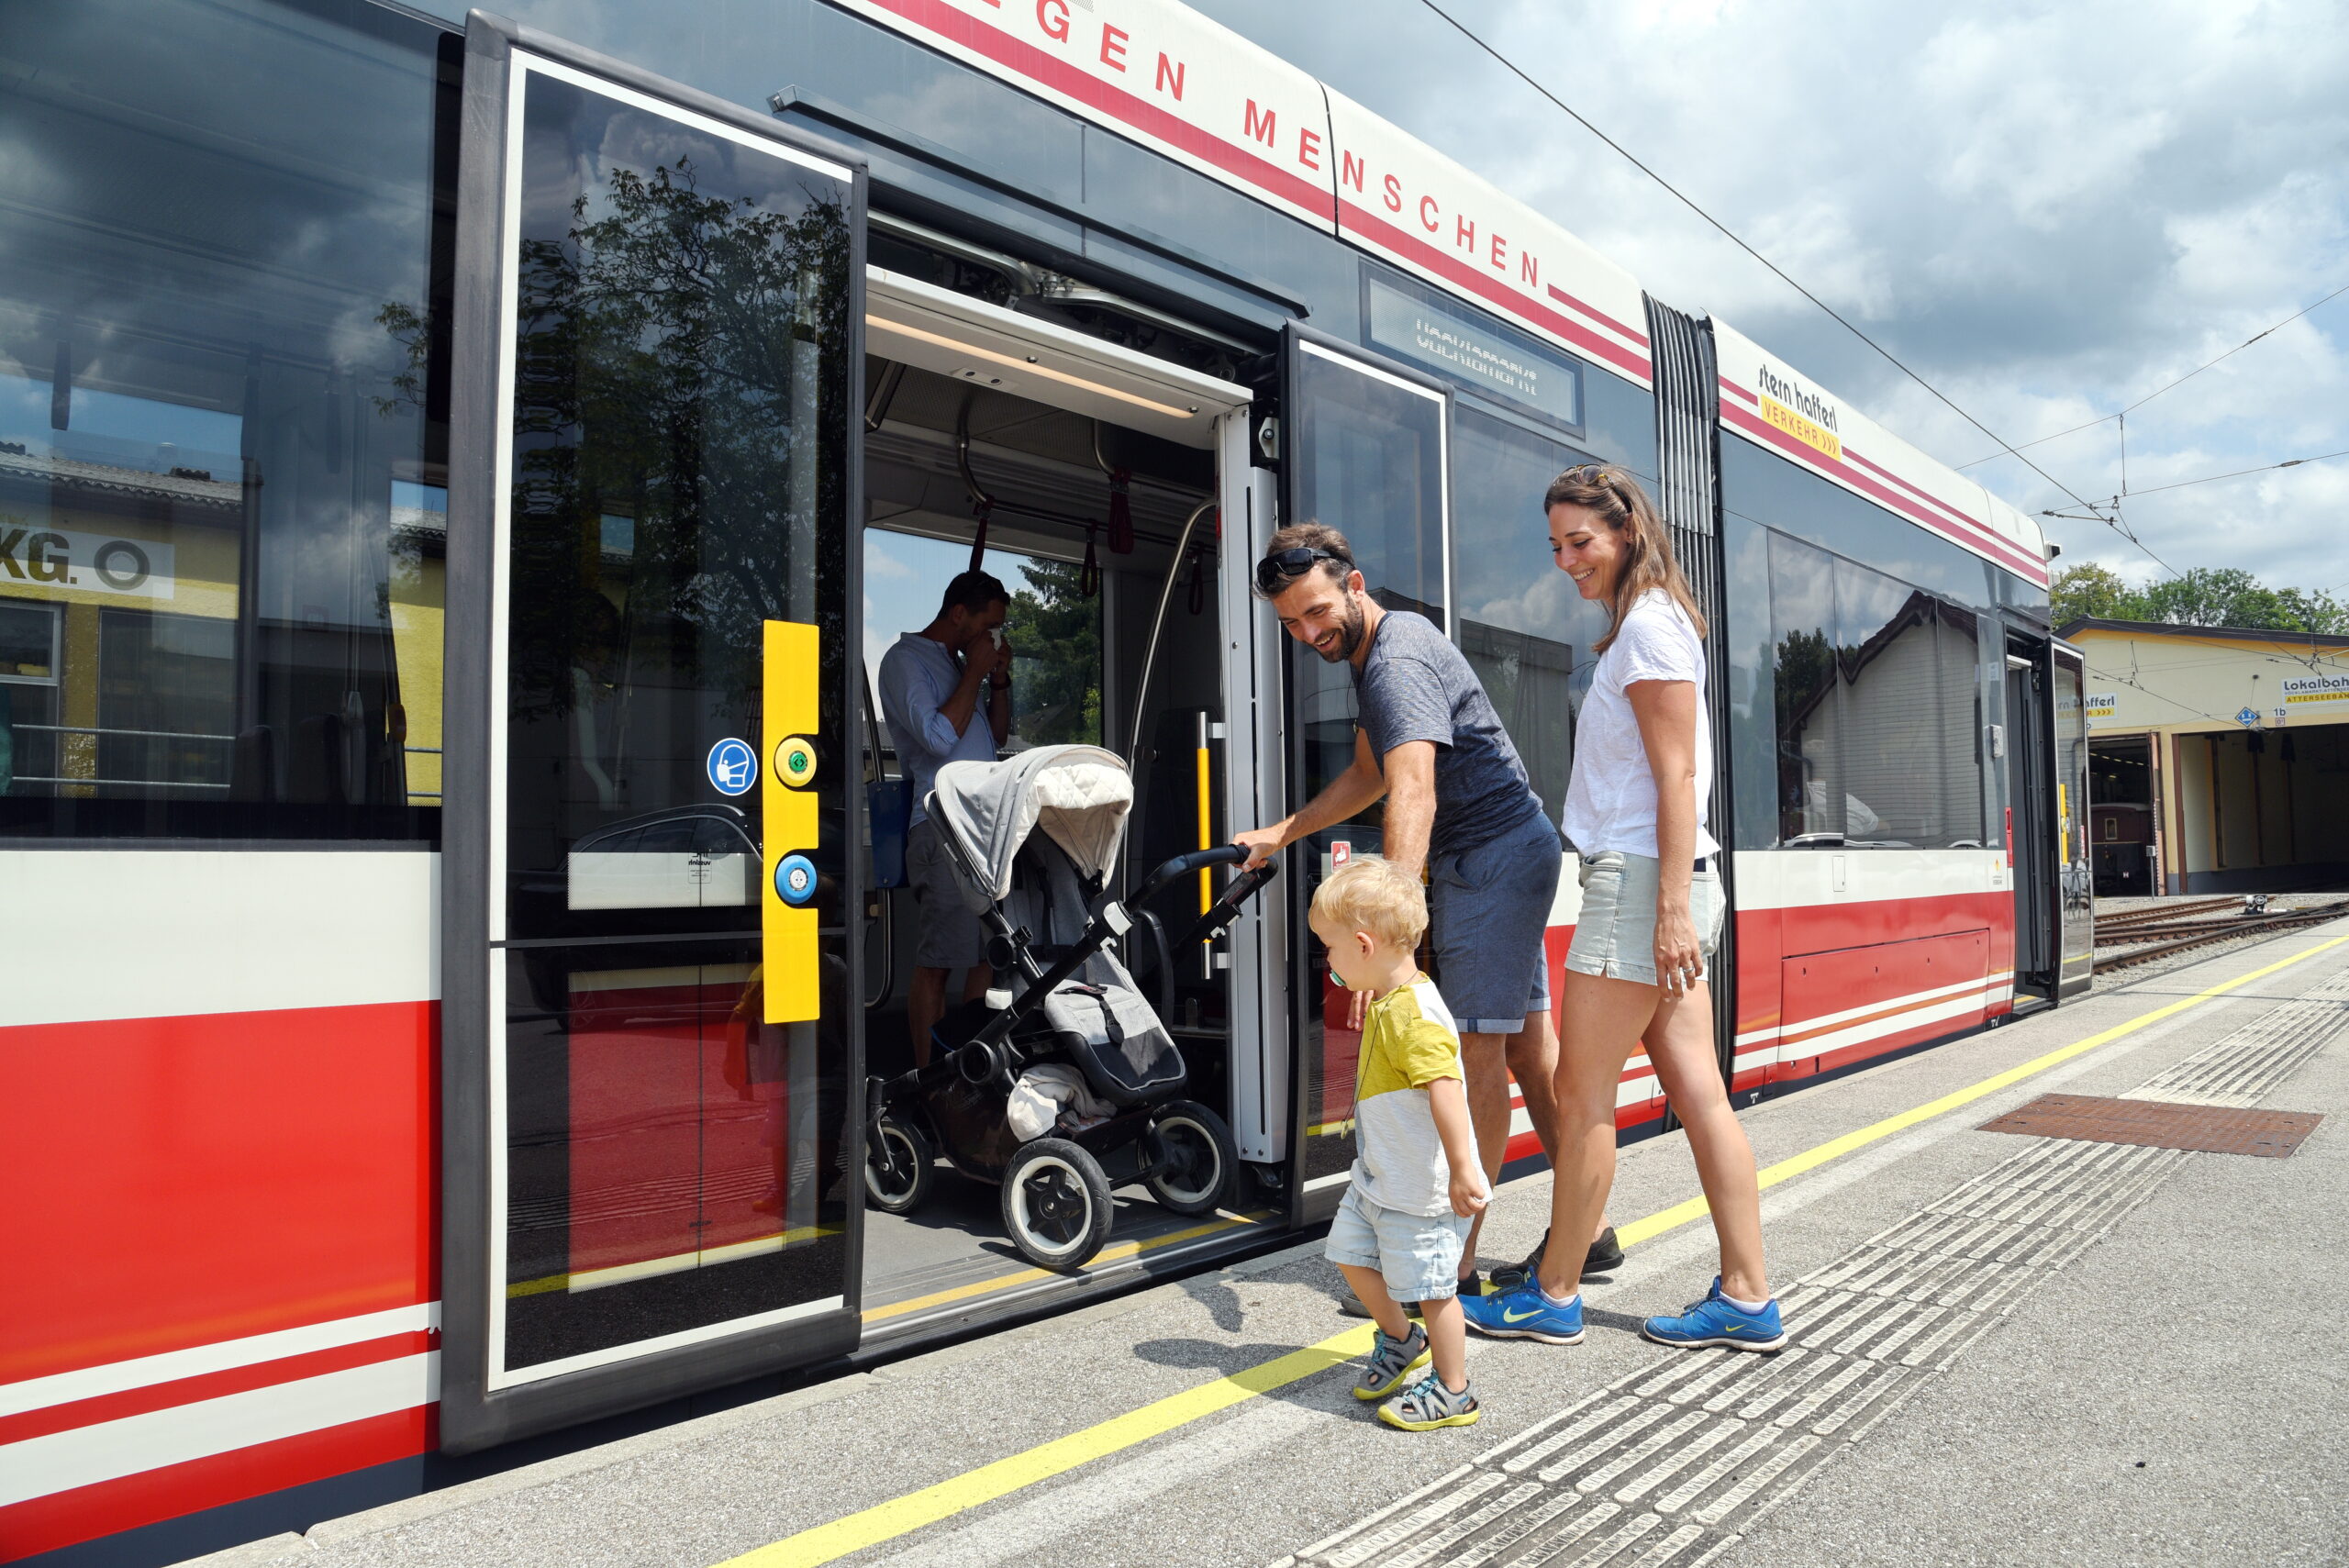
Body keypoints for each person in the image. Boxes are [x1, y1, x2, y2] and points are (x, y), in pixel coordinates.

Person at [1236, 524, 1617, 1304]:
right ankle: (1589, 1230)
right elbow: (1371, 774)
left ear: (1354, 583)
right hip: (1508, 853)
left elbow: (1414, 791)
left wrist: (1392, 941)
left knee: (1470, 1059)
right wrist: (1285, 830)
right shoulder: (1377, 651)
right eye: (1291, 624)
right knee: (1524, 1056)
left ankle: (1450, 1268)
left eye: (1315, 611)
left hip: (1488, 862)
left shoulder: (1396, 659)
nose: (1309, 633)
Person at [1464, 464, 1785, 1352]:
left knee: (1580, 1089)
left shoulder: (1645, 631)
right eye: (1557, 545)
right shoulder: (1657, 623)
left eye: (1582, 541)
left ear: (1627, 532)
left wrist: (1670, 907)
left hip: (1645, 880)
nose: (1568, 560)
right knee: (1700, 1092)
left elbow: (1675, 776)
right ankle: (1747, 1294)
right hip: (1666, 878)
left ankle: (1554, 1290)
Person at [1311, 854, 1487, 1431]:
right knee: (1348, 1254)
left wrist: (1463, 1168)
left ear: (1363, 945)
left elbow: (1447, 1089)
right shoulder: (1391, 1000)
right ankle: (1400, 1338)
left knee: (1435, 1291)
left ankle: (1455, 1390)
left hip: (1418, 1188)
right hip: (1380, 1178)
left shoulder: (1414, 1013)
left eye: (1331, 949)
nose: (1329, 963)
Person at [878, 569, 1014, 1067]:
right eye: (987, 626)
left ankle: (970, 1066)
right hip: (941, 828)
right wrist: (976, 673)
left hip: (983, 831)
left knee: (986, 955)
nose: (991, 637)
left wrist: (996, 679)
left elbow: (995, 738)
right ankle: (928, 1079)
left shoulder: (960, 662)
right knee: (939, 960)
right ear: (959, 613)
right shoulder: (905, 661)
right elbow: (937, 738)